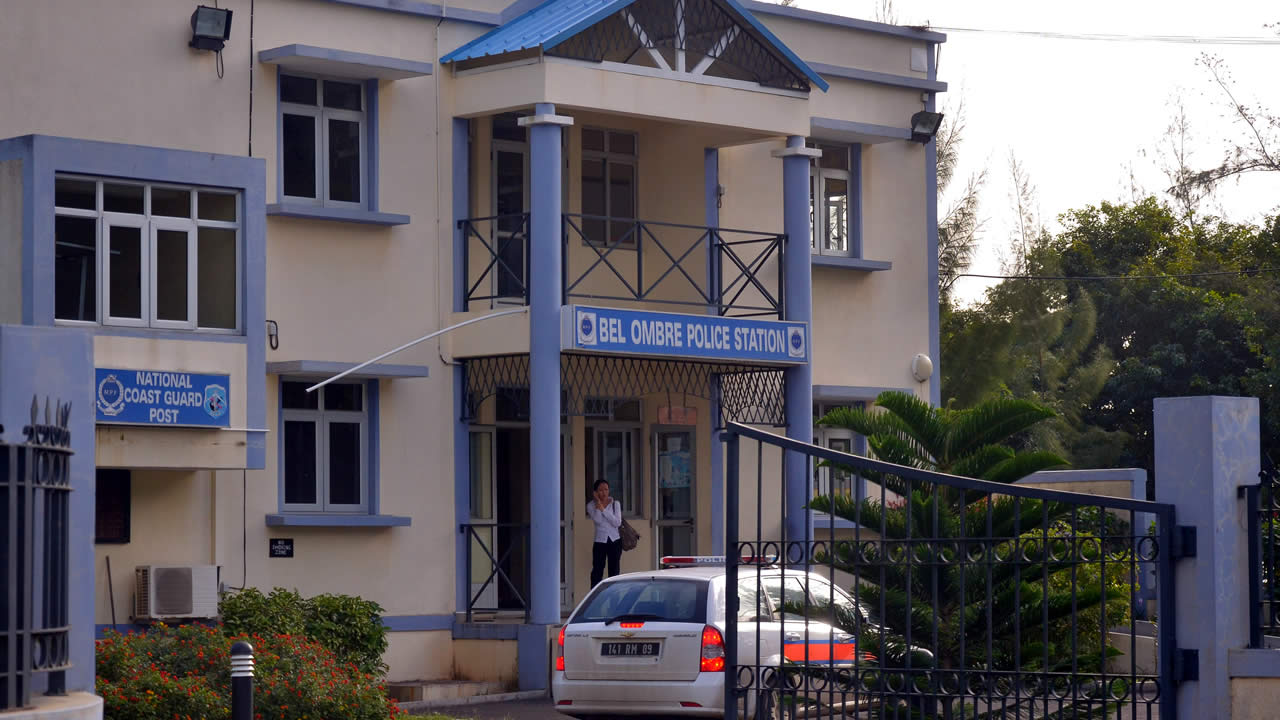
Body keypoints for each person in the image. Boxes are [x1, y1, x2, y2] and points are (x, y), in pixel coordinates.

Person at [588, 479, 622, 587]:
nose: (604, 493)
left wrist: (603, 509)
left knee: (614, 571)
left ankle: (614, 595)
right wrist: (598, 503)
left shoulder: (615, 504)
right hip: (600, 541)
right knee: (597, 571)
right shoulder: (591, 505)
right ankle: (595, 594)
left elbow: (617, 522)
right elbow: (598, 520)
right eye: (601, 490)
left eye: (606, 489)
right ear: (595, 492)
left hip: (615, 540)